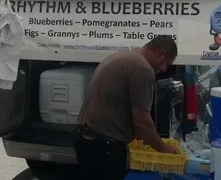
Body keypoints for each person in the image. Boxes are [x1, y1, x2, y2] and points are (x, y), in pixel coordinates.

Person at [75, 35, 179, 180]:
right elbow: (142, 122)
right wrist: (163, 148)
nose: (163, 70)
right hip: (105, 147)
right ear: (161, 54)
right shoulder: (142, 69)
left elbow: (117, 103)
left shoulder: (123, 57)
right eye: (166, 64)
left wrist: (141, 135)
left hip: (87, 139)